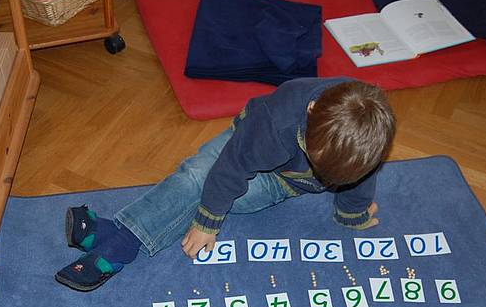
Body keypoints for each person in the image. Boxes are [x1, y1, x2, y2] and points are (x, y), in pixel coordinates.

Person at [55, 77, 396, 291]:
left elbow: (361, 180)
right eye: (315, 159)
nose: (322, 175)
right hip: (244, 145)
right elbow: (232, 166)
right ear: (311, 109)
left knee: (214, 189)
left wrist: (351, 214)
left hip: (283, 182)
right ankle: (122, 242)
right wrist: (208, 221)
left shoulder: (367, 138)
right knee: (197, 175)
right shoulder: (276, 121)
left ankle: (112, 236)